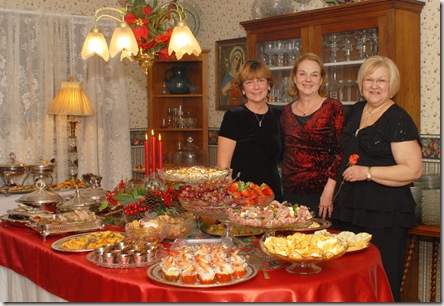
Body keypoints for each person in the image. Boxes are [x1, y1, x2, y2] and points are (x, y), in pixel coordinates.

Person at [331, 55, 422, 302]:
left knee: (380, 282)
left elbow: (413, 170)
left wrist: (368, 172)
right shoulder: (357, 110)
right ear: (361, 82)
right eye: (369, 79)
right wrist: (330, 192)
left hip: (385, 214)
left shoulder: (398, 118)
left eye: (382, 80)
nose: (374, 85)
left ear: (392, 85)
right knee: (348, 282)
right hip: (349, 210)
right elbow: (342, 157)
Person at [280, 53, 344, 219]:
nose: (308, 79)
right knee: (293, 243)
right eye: (302, 74)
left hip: (323, 195)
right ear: (294, 77)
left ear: (321, 80)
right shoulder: (285, 112)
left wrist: (329, 191)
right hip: (291, 195)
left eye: (314, 75)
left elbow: (341, 152)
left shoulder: (333, 108)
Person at [217, 59, 283, 201]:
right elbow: (223, 168)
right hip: (241, 196)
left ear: (269, 85)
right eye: (249, 82)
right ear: (242, 89)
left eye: (260, 80)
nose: (256, 87)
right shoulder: (233, 117)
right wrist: (233, 199)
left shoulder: (280, 115)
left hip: (273, 196)